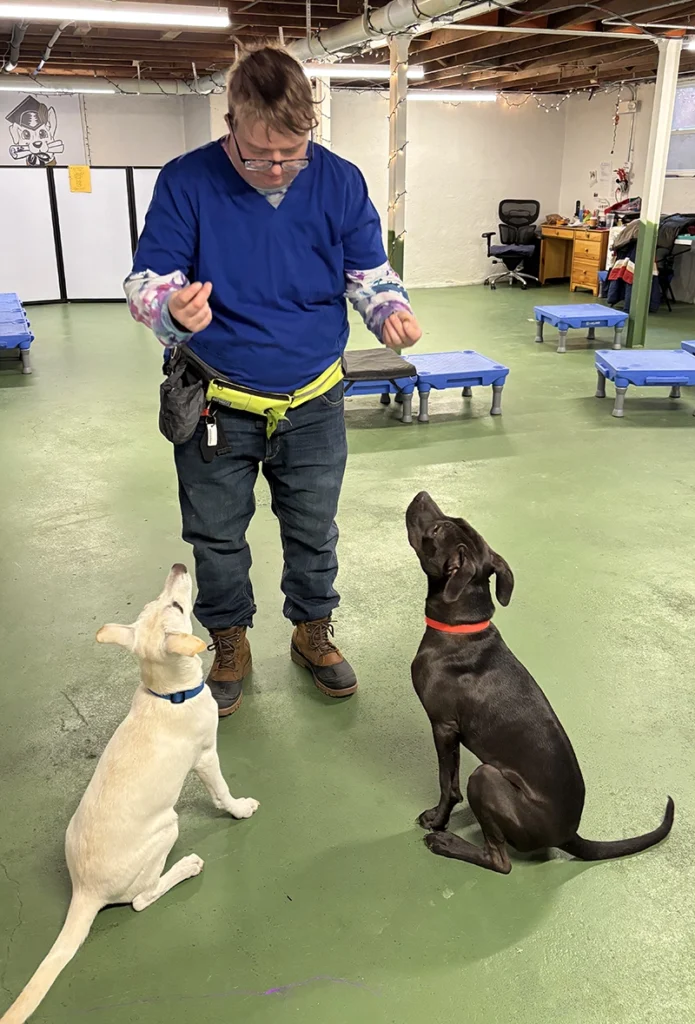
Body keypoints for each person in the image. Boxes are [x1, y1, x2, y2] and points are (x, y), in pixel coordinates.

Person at [124, 45, 421, 717]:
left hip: (313, 396)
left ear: (308, 126)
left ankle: (312, 631)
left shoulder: (339, 181)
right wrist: (170, 309)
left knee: (314, 528)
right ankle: (228, 640)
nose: (276, 168)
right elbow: (148, 280)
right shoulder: (187, 181)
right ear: (231, 121)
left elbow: (366, 273)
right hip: (216, 399)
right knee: (217, 534)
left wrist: (389, 310)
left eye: (291, 152)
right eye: (257, 154)